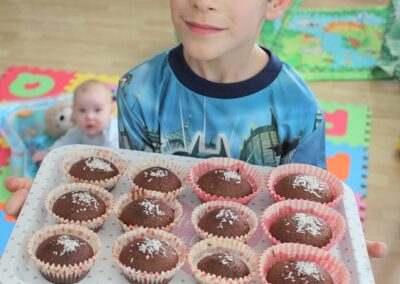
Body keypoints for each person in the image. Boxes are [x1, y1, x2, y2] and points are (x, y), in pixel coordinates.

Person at [3, 0, 387, 257]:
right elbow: (132, 199)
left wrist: (336, 249)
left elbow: (306, 207)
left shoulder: (298, 108)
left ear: (276, 2)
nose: (203, 1)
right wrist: (47, 202)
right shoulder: (138, 92)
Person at [32, 79, 118, 163]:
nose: (89, 117)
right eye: (82, 110)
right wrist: (50, 153)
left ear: (111, 109)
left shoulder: (113, 133)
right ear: (74, 111)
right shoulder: (79, 130)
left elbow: (113, 155)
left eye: (97, 110)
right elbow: (65, 142)